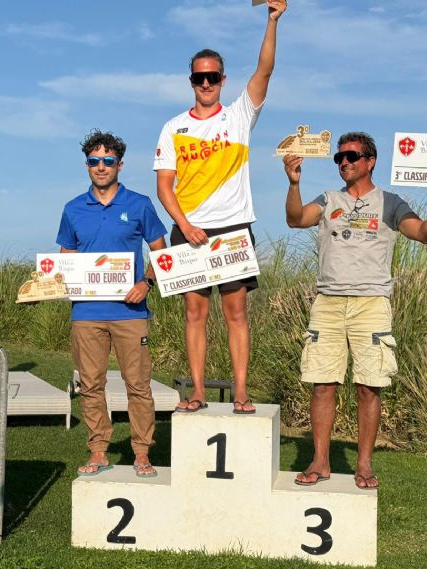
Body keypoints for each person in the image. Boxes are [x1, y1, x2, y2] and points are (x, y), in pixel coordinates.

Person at [283, 132, 427, 488]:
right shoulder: (329, 199)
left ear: (370, 161)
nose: (344, 162)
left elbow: (423, 233)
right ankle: (320, 461)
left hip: (371, 304)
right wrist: (294, 184)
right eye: (339, 158)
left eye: (352, 156)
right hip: (328, 302)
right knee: (322, 384)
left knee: (369, 386)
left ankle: (364, 465)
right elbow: (296, 219)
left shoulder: (390, 203)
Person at [153, 0, 287, 414]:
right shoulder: (173, 127)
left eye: (213, 77)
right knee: (195, 314)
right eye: (200, 77)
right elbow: (164, 186)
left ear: (223, 80)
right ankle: (197, 392)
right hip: (189, 230)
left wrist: (272, 21)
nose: (206, 83)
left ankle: (241, 392)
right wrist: (185, 225)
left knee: (236, 313)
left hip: (233, 229)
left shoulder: (239, 116)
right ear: (191, 81)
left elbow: (264, 70)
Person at [57, 130, 167, 478]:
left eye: (108, 160)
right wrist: (46, 286)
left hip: (130, 313)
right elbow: (65, 257)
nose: (101, 167)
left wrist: (146, 283)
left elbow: (161, 252)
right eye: (94, 161)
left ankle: (142, 452)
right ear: (87, 165)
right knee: (90, 386)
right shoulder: (73, 209)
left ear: (120, 164)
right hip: (86, 314)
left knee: (139, 385)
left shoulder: (139, 204)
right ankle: (99, 451)